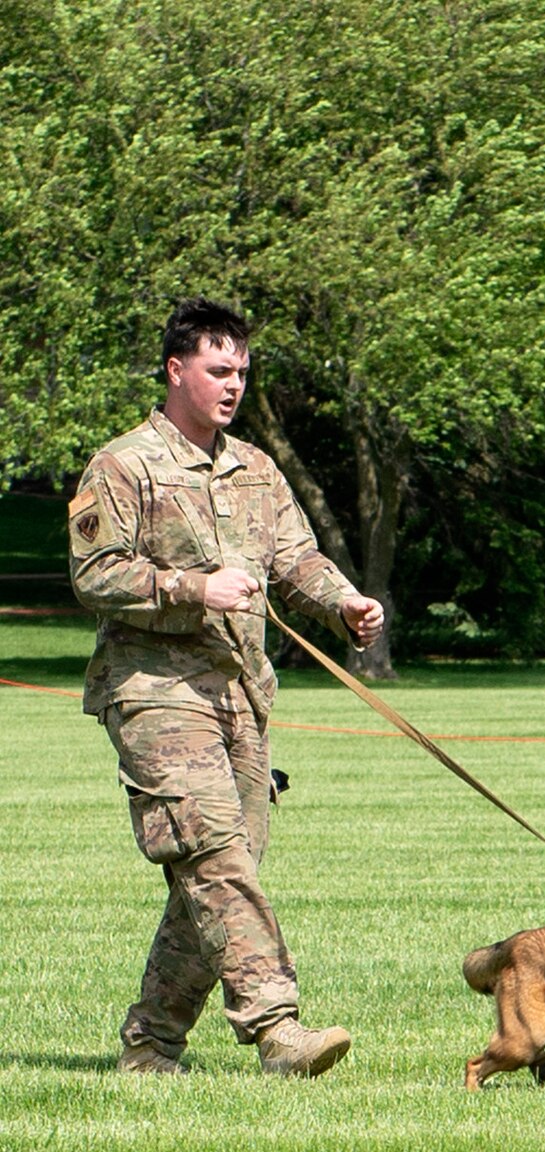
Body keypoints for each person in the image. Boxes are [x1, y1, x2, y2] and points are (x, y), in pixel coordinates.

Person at [68, 298, 386, 1077]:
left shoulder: (257, 468)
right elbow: (95, 573)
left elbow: (296, 557)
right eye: (219, 369)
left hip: (242, 696)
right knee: (213, 853)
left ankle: (150, 1046)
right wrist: (191, 587)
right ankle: (278, 1029)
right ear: (177, 370)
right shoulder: (124, 465)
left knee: (215, 876)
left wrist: (342, 600)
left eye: (241, 371)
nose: (233, 384)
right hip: (153, 689)